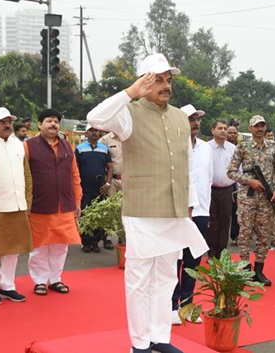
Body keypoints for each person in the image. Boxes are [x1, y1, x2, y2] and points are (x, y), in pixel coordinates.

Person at [87, 53, 209, 353]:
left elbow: (188, 164)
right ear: (144, 81)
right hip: (141, 209)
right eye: (158, 79)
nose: (166, 85)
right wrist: (131, 92)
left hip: (175, 209)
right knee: (139, 277)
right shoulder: (128, 112)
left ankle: (160, 338)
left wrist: (190, 203)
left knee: (167, 275)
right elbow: (95, 118)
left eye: (168, 80)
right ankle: (139, 343)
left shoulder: (181, 116)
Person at [25, 109, 82, 297]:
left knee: (60, 246)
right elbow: (23, 176)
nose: (53, 124)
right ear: (39, 124)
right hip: (39, 205)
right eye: (48, 121)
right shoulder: (28, 146)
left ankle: (55, 279)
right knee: (39, 246)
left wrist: (77, 201)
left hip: (64, 205)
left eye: (56, 121)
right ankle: (40, 281)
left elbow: (74, 176)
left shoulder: (67, 147)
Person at [228, 115, 275, 287]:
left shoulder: (273, 147)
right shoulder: (242, 147)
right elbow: (231, 172)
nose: (259, 129)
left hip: (266, 199)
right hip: (247, 197)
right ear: (250, 128)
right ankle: (245, 270)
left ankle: (259, 270)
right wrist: (248, 181)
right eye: (256, 126)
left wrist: (274, 189)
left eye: (262, 125)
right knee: (244, 234)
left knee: (262, 234)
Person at [171, 104, 212, 325]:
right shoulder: (173, 145)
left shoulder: (206, 148)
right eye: (190, 119)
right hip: (177, 211)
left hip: (201, 211)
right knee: (174, 259)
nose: (195, 123)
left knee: (192, 261)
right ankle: (171, 305)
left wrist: (207, 209)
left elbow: (209, 180)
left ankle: (187, 304)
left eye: (197, 119)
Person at [0, 107, 32, 304]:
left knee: (13, 250)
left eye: (9, 121)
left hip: (18, 205)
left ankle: (8, 286)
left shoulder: (18, 145)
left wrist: (28, 202)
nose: (7, 124)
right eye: (2, 121)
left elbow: (27, 175)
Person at [76, 125, 114, 253]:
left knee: (98, 216)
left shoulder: (104, 149)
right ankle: (85, 242)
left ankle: (95, 242)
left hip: (100, 188)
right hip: (84, 188)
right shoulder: (80, 149)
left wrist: (108, 184)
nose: (94, 133)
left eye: (96, 131)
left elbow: (110, 167)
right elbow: (74, 168)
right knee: (84, 215)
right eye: (91, 130)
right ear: (86, 133)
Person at [207, 119, 236, 258]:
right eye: (220, 128)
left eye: (225, 128)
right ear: (212, 130)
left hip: (227, 190)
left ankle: (222, 253)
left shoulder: (233, 149)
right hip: (209, 190)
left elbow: (239, 171)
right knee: (212, 222)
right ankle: (212, 252)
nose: (223, 131)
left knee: (225, 221)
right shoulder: (205, 148)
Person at [226, 125, 242, 245]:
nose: (232, 135)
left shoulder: (240, 148)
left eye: (234, 133)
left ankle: (235, 236)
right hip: (221, 185)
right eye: (230, 133)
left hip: (235, 185)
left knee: (236, 212)